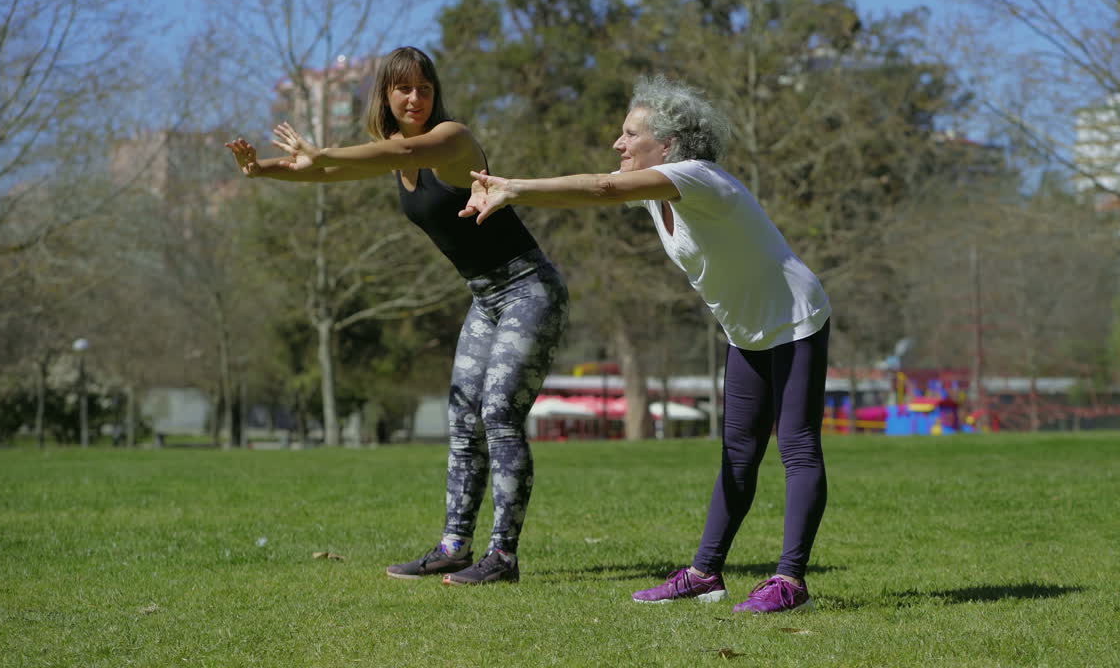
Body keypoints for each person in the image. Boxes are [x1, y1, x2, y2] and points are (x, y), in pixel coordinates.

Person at [464, 75, 831, 613]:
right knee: (737, 454)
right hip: (746, 330)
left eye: (630, 133)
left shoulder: (696, 177)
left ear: (668, 145)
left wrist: (514, 186)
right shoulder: (658, 193)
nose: (618, 143)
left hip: (796, 317)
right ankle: (705, 574)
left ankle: (791, 582)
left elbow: (601, 187)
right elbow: (595, 192)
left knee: (796, 448)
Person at [225, 46, 569, 585]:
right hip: (485, 298)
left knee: (499, 415)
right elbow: (327, 175)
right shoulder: (395, 154)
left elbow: (367, 158)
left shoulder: (450, 139)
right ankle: (455, 546)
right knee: (461, 419)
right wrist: (262, 171)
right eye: (404, 88)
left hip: (529, 290)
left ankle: (503, 557)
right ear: (385, 94)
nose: (416, 98)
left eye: (424, 88)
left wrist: (322, 153)